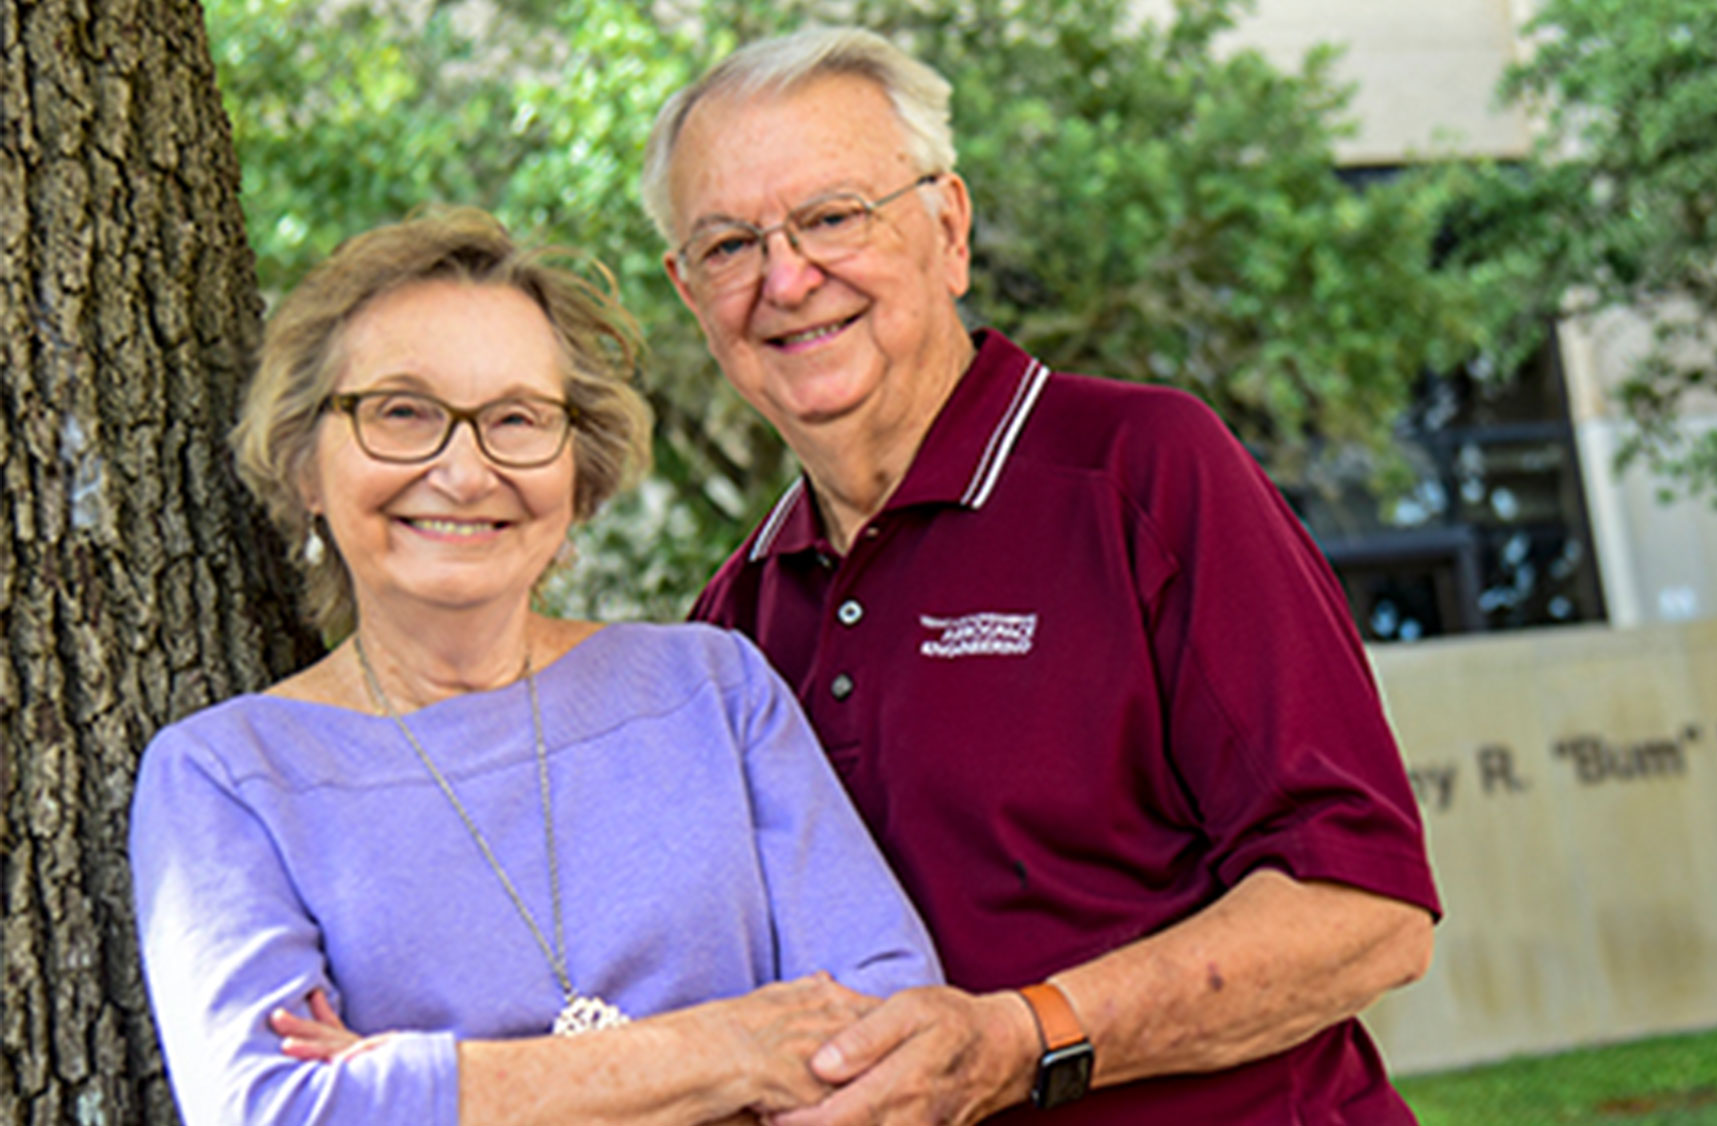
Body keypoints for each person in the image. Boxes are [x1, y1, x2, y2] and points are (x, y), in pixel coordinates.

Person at [641, 26, 1442, 1126]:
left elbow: (1362, 909)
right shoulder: (732, 627)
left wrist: (1024, 1038)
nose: (786, 278)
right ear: (690, 295)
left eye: (832, 217)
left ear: (948, 229)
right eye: (730, 244)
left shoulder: (1143, 473)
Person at [126, 207, 942, 1126]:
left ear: (576, 465)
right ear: (306, 465)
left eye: (517, 418)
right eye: (401, 412)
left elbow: (892, 1039)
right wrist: (735, 1049)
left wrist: (412, 1080)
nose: (466, 472)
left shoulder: (714, 691)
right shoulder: (225, 778)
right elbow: (277, 1111)